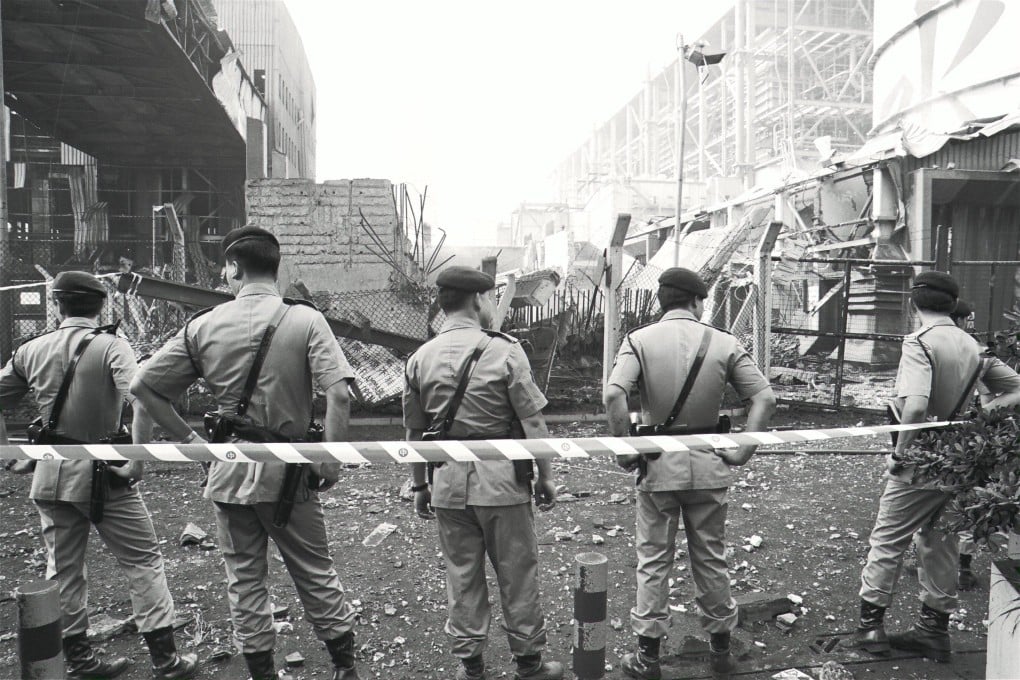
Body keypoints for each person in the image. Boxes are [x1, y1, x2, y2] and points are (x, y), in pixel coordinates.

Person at [131, 226, 362, 680]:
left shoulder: (203, 325)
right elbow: (340, 395)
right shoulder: (306, 320)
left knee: (244, 580)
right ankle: (344, 668)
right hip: (290, 473)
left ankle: (262, 673)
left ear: (236, 267)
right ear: (276, 268)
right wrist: (330, 461)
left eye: (225, 265)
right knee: (315, 571)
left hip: (229, 472)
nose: (223, 272)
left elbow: (144, 387)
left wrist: (191, 442)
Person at [0, 271, 197, 680]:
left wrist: (10, 453)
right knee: (143, 560)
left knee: (64, 570)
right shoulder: (112, 345)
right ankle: (166, 660)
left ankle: (80, 660)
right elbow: (142, 395)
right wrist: (138, 460)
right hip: (107, 476)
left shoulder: (30, 349)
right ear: (100, 305)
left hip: (52, 475)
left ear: (57, 305)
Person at [603, 267, 776, 679]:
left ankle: (648, 657)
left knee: (654, 559)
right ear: (698, 302)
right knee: (711, 558)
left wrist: (627, 449)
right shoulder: (724, 342)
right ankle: (720, 648)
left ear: (662, 302)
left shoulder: (638, 341)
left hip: (658, 467)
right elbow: (765, 398)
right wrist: (743, 452)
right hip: (709, 465)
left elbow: (614, 393)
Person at [844, 272, 1020, 663]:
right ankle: (933, 632)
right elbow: (1016, 388)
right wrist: (978, 417)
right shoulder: (972, 346)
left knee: (888, 539)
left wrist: (899, 456)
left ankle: (871, 628)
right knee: (940, 542)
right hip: (962, 460)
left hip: (921, 461)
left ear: (914, 303)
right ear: (951, 304)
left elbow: (917, 406)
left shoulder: (919, 343)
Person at [404, 266, 562, 680]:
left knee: (461, 574)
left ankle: (471, 667)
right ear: (478, 300)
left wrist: (420, 484)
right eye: (492, 297)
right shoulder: (506, 351)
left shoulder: (420, 358)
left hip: (447, 486)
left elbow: (414, 433)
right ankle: (529, 664)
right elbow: (533, 424)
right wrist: (546, 477)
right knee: (517, 573)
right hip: (503, 485)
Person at [948, 299, 978, 590]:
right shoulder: (978, 349)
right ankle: (963, 569)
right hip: (971, 435)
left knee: (944, 496)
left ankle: (951, 566)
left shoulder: (940, 346)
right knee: (966, 500)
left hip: (946, 435)